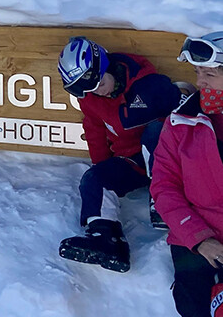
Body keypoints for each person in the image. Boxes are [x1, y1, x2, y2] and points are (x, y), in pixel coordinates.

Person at [56, 35, 183, 272]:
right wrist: (103, 170)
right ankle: (106, 240)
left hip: (166, 160)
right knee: (94, 178)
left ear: (106, 66)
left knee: (155, 131)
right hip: (131, 161)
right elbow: (93, 130)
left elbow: (183, 117)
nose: (97, 92)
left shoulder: (148, 85)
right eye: (88, 90)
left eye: (99, 84)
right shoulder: (91, 98)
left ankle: (165, 204)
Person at [151, 32, 223, 316]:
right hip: (194, 236)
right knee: (194, 305)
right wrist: (200, 239)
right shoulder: (181, 122)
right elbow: (164, 187)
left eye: (209, 74)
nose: (200, 83)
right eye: (197, 73)